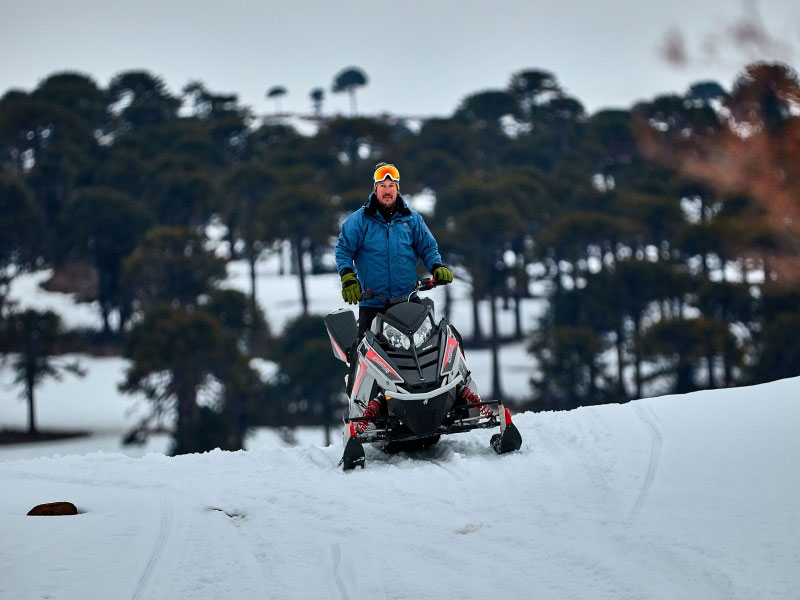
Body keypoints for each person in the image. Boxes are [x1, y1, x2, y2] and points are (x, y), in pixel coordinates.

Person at [335, 162, 491, 432]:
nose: (387, 190)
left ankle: (465, 395)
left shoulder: (411, 219)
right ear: (375, 189)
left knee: (445, 336)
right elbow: (343, 250)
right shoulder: (358, 221)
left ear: (398, 189)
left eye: (391, 186)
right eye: (382, 186)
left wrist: (437, 266)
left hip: (409, 300)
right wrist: (348, 277)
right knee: (362, 349)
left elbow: (427, 246)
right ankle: (362, 412)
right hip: (373, 302)